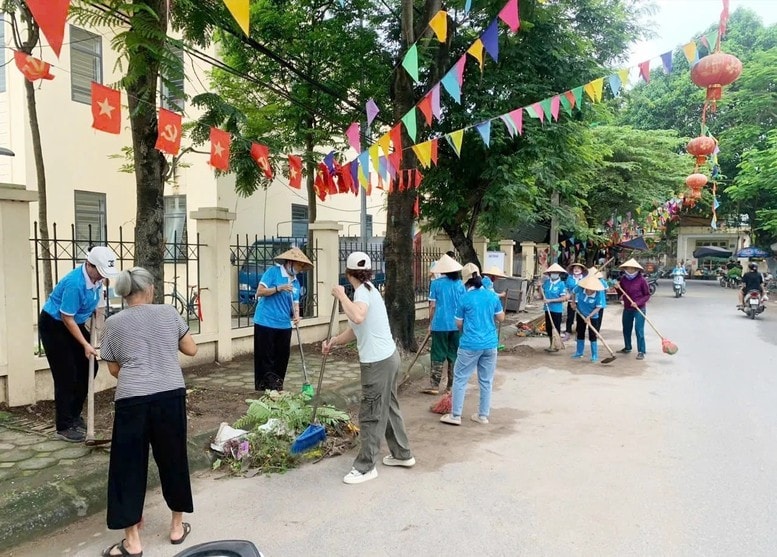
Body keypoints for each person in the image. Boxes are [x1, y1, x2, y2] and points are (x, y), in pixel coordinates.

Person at [99, 267, 198, 557]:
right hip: (170, 395)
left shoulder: (114, 323)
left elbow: (115, 369)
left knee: (127, 466)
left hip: (132, 401)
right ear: (151, 289)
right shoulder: (169, 313)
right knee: (174, 458)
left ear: (125, 293)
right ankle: (177, 527)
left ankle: (132, 541)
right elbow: (191, 349)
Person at [323, 252, 414, 485]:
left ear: (347, 273)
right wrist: (333, 341)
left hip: (377, 363)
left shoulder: (361, 293)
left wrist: (342, 296)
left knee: (371, 414)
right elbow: (355, 329)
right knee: (389, 407)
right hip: (389, 357)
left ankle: (365, 467)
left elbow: (359, 317)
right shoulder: (370, 290)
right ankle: (402, 454)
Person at [38, 246, 119, 442]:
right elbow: (67, 318)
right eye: (100, 272)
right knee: (66, 374)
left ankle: (74, 415)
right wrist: (84, 344)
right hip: (55, 325)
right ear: (89, 265)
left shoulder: (96, 279)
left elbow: (95, 305)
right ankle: (64, 426)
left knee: (88, 368)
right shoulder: (74, 283)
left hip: (75, 322)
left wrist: (96, 326)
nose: (102, 277)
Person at [440, 263, 505, 426]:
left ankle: (455, 416)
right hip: (490, 344)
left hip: (470, 344)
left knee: (460, 378)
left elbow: (458, 324)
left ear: (466, 281)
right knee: (486, 380)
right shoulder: (492, 296)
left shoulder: (464, 299)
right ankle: (483, 415)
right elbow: (501, 318)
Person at [253, 247, 313, 391]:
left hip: (284, 325)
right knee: (266, 357)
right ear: (290, 262)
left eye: (302, 267)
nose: (300, 269)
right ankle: (265, 387)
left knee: (282, 358)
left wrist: (297, 315)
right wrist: (278, 288)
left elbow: (295, 302)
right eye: (299, 266)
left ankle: (277, 385)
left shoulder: (296, 282)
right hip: (265, 322)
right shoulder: (273, 273)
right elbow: (259, 292)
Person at [423, 254, 465, 395]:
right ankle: (451, 387)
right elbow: (463, 305)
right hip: (457, 325)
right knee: (454, 354)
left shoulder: (436, 284)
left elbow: (433, 306)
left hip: (440, 324)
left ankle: (435, 386)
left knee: (437, 353)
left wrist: (430, 323)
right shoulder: (460, 285)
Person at [617, 258, 651, 360]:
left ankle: (641, 351)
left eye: (632, 269)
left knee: (638, 330)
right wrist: (617, 288)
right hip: (627, 308)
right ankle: (627, 347)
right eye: (628, 268)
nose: (630, 270)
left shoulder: (642, 280)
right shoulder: (624, 279)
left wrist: (638, 303)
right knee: (626, 329)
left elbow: (647, 295)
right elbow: (621, 293)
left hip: (639, 309)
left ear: (637, 269)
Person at [569, 275, 605, 362]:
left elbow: (598, 308)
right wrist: (573, 303)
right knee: (580, 332)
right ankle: (579, 352)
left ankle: (594, 355)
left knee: (593, 335)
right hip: (580, 313)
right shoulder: (580, 288)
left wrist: (589, 316)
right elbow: (573, 292)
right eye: (589, 288)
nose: (590, 290)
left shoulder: (598, 294)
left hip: (593, 316)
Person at [541, 263, 568, 352]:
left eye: (556, 272)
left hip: (556, 310)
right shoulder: (547, 283)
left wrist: (550, 301)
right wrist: (539, 288)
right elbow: (542, 295)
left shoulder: (561, 284)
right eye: (552, 272)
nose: (554, 274)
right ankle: (551, 344)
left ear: (559, 274)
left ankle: (556, 344)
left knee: (556, 327)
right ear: (549, 274)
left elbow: (563, 298)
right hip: (547, 309)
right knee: (548, 327)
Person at [563, 262, 587, 341]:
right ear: (572, 270)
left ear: (581, 270)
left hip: (581, 300)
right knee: (570, 317)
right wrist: (567, 294)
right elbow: (566, 288)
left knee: (580, 317)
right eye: (575, 268)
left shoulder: (584, 278)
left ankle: (578, 333)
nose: (576, 270)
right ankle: (567, 333)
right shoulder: (569, 278)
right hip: (571, 300)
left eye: (578, 268)